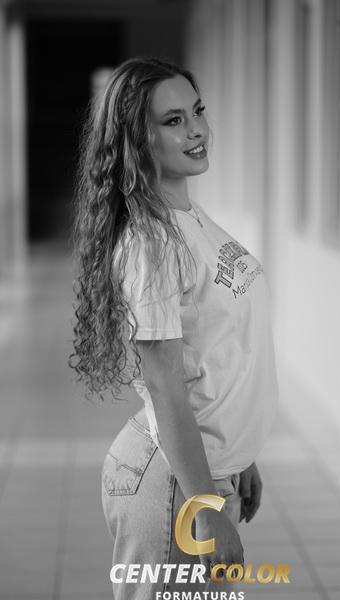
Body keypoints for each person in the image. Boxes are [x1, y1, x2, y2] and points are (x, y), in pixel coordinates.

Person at [69, 56, 279, 599]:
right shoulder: (152, 243)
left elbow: (216, 352)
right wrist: (204, 506)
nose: (197, 130)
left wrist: (239, 452)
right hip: (171, 485)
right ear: (137, 142)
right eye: (173, 120)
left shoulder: (189, 219)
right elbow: (164, 383)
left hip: (202, 472)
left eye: (197, 111)